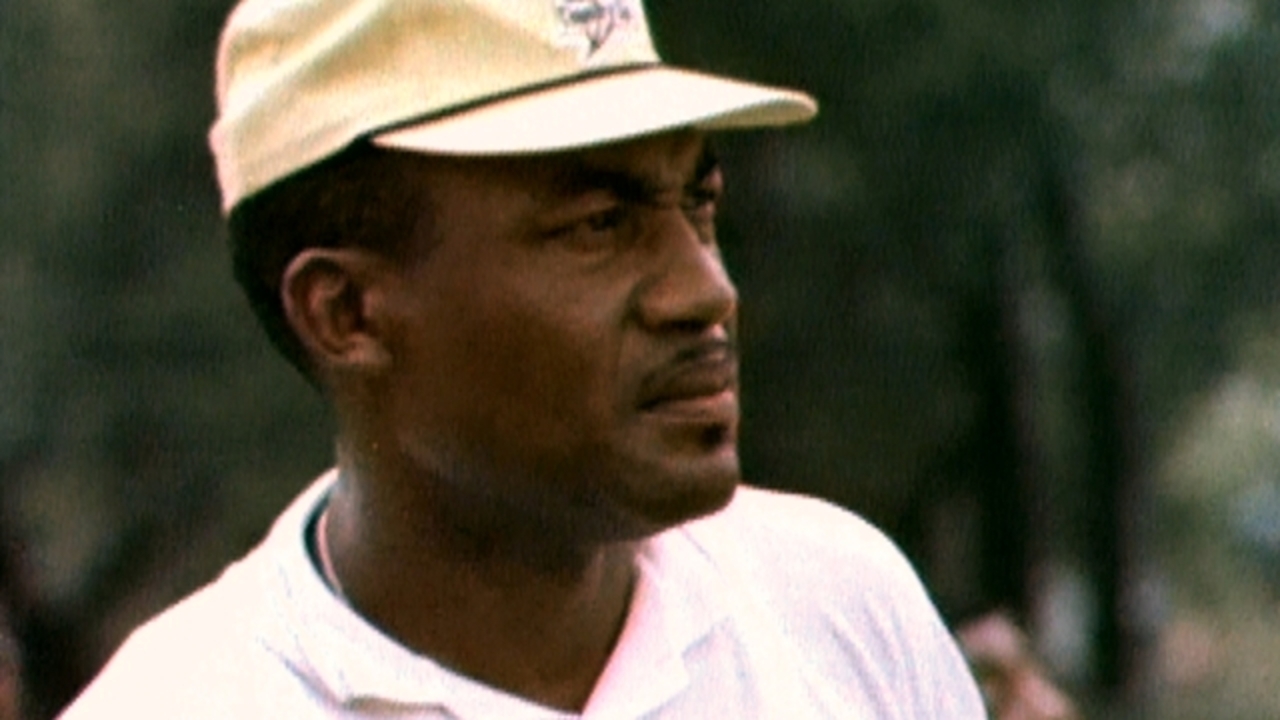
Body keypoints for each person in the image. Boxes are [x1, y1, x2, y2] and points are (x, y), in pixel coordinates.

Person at [58, 0, 986, 717]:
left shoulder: (835, 609)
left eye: (697, 205)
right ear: (346, 313)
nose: (706, 292)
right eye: (599, 225)